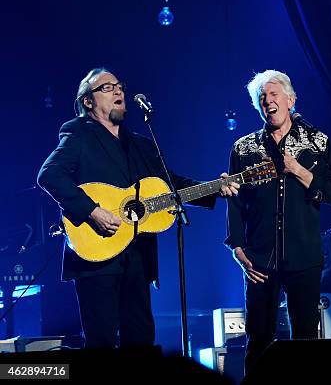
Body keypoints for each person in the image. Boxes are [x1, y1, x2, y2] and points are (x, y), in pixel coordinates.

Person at [37, 68, 239, 348]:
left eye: (119, 86)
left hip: (137, 255)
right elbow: (49, 175)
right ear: (88, 102)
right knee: (102, 342)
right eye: (108, 88)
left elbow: (170, 183)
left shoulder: (141, 144)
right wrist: (92, 211)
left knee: (141, 338)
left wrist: (216, 187)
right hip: (96, 255)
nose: (119, 91)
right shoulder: (79, 135)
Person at [224, 70, 331, 374]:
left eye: (273, 94)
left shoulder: (317, 142)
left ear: (290, 100)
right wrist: (237, 247)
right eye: (262, 97)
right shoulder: (243, 148)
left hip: (304, 255)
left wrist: (298, 170)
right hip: (259, 259)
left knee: (305, 336)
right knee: (259, 338)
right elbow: (235, 201)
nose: (268, 100)